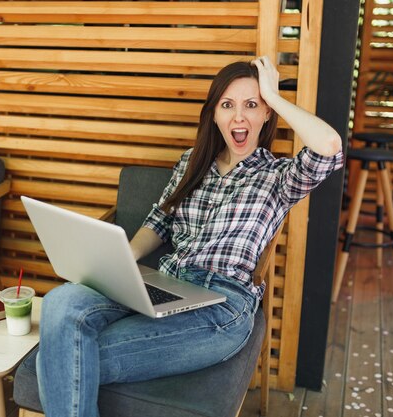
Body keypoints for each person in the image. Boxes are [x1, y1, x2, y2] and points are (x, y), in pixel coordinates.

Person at [36, 56, 343, 417]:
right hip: (164, 284)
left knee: (63, 354)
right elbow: (160, 221)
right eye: (227, 105)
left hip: (221, 306)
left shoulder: (280, 177)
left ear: (266, 116)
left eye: (252, 105)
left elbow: (329, 146)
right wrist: (120, 261)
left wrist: (274, 96)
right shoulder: (191, 163)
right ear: (214, 114)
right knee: (61, 301)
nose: (239, 117)